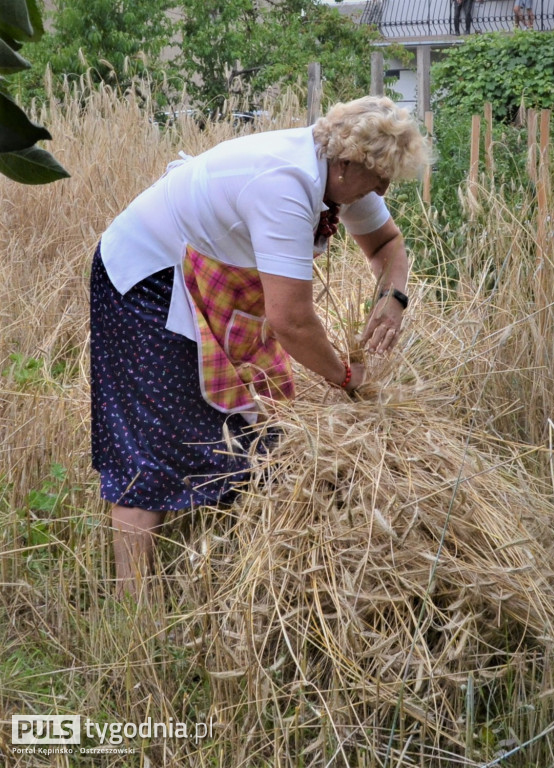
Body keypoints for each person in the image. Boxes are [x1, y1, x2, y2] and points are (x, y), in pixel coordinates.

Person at [90, 96, 430, 595]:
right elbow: (291, 321)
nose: (382, 188)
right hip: (145, 278)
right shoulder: (285, 185)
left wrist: (394, 296)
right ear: (347, 163)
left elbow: (386, 246)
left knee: (254, 418)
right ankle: (132, 606)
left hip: (206, 276)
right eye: (379, 177)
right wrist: (346, 379)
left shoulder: (344, 176)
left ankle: (231, 570)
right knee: (149, 439)